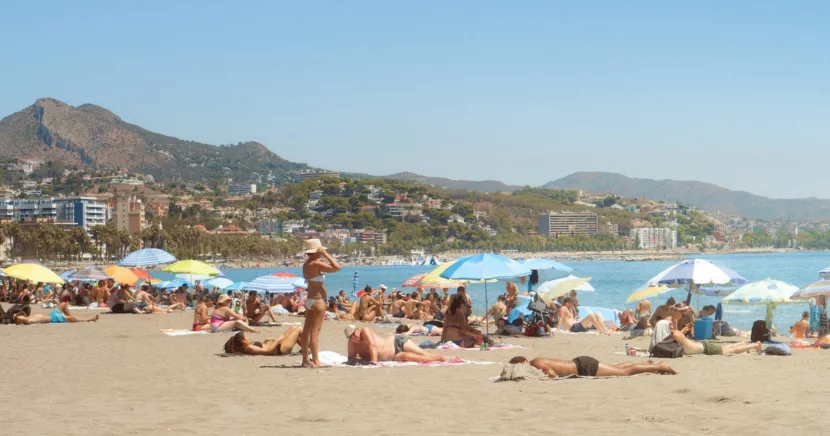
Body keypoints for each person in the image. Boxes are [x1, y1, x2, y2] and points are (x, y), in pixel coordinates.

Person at [301, 238, 341, 368]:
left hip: (310, 300)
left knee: (306, 330)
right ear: (317, 251)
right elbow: (337, 267)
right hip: (318, 301)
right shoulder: (316, 263)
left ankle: (305, 360)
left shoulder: (306, 264)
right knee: (315, 332)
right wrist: (326, 255)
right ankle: (316, 361)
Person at [345, 325, 452, 363]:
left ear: (357, 330)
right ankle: (440, 359)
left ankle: (448, 358)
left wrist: (373, 363)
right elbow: (350, 359)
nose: (354, 337)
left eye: (354, 333)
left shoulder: (365, 331)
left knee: (423, 354)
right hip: (392, 356)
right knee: (412, 357)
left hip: (397, 342)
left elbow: (372, 346)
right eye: (351, 337)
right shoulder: (352, 344)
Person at [510, 355, 676, 378]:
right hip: (580, 363)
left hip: (583, 367)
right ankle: (648, 365)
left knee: (624, 372)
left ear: (523, 362)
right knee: (617, 367)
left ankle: (661, 367)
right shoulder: (538, 360)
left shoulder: (535, 363)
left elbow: (552, 375)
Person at [668, 329, 761, 356]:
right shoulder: (678, 337)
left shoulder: (676, 336)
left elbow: (676, 334)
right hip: (701, 345)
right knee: (727, 348)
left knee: (732, 350)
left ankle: (755, 345)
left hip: (705, 347)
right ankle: (743, 343)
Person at [14, 296, 99, 324]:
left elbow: (26, 319)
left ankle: (71, 316)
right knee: (71, 319)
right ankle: (88, 319)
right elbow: (27, 321)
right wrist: (19, 317)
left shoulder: (30, 317)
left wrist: (18, 316)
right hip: (53, 318)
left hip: (52, 316)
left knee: (64, 304)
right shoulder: (30, 319)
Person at [223, 327, 304, 356]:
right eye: (246, 336)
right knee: (299, 329)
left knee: (293, 327)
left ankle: (306, 350)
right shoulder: (249, 348)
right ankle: (309, 351)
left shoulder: (248, 345)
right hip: (280, 350)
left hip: (277, 346)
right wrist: (278, 340)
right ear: (243, 341)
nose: (248, 336)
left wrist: (265, 342)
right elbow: (268, 351)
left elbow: (261, 348)